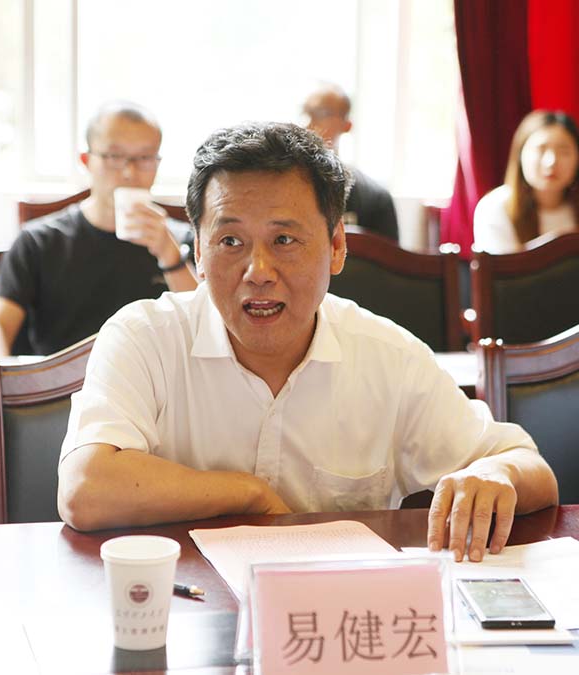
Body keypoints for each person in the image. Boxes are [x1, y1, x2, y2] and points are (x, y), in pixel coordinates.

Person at [58, 122, 557, 562]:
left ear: (336, 246)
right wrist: (248, 494)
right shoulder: (145, 338)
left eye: (284, 240)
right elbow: (85, 488)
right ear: (199, 253)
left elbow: (530, 468)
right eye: (230, 241)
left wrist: (500, 475)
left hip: (334, 619)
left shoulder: (388, 357)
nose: (258, 271)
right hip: (186, 610)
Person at [0, 101, 197, 357]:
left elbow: (208, 329)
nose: (129, 171)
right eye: (114, 157)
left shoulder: (182, 240)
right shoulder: (40, 242)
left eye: (145, 158)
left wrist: (170, 256)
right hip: (59, 380)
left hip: (155, 381)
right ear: (86, 160)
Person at [302, 82, 399, 241]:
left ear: (347, 125)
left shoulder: (376, 199)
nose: (308, 123)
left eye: (321, 113)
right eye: (306, 113)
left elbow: (390, 256)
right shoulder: (286, 192)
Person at [474, 110, 579, 254]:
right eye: (540, 149)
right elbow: (501, 267)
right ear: (520, 155)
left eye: (564, 151)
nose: (551, 162)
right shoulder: (495, 207)